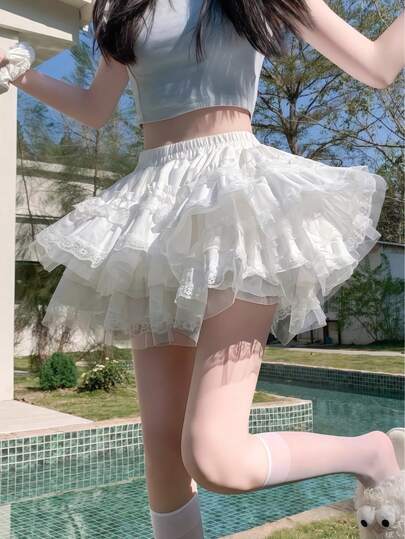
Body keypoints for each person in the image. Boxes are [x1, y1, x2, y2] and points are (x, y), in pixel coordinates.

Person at [1, 0, 404, 537]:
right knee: (163, 451)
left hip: (238, 205)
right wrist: (20, 73)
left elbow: (377, 65)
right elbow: (97, 107)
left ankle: (370, 452)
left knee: (215, 458)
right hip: (154, 213)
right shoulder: (121, 5)